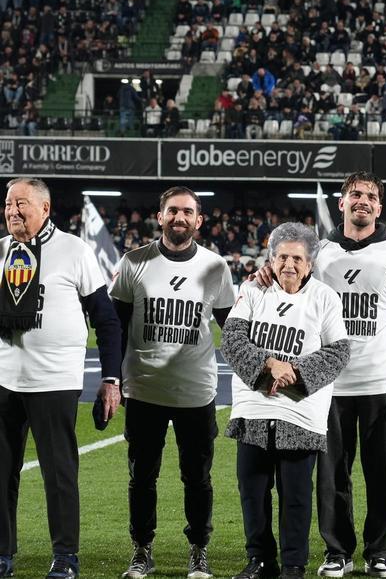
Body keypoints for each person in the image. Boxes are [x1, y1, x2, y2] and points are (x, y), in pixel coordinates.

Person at [110, 187, 236, 579]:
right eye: (172, 211)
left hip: (195, 391)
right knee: (142, 477)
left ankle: (198, 550)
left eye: (187, 212)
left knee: (197, 478)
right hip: (144, 389)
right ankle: (142, 549)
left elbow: (232, 328)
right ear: (160, 216)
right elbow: (115, 328)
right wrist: (112, 381)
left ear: (199, 220)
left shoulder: (216, 267)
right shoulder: (133, 263)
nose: (179, 217)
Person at [0, 178, 122, 579]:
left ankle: (65, 556)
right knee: (1, 474)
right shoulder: (1, 251)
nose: (12, 212)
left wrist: (111, 378)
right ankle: (3, 554)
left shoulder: (74, 250)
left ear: (45, 208)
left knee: (60, 473)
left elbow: (105, 320)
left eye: (21, 204)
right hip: (4, 380)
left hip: (54, 381)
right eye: (8, 205)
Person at [314, 173, 386, 579]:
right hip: (329, 385)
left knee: (383, 475)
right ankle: (337, 551)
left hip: (384, 383)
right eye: (355, 195)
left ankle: (380, 550)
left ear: (379, 207)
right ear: (341, 203)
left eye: (371, 197)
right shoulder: (319, 253)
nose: (363, 201)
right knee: (331, 476)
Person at [223, 223, 350, 579]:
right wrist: (269, 365)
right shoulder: (252, 290)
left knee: (295, 496)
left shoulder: (325, 297)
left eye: (297, 258)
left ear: (309, 264)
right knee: (253, 492)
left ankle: (293, 565)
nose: (289, 264)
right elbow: (232, 340)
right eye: (281, 257)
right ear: (271, 259)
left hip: (300, 414)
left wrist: (292, 372)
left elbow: (339, 352)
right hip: (253, 410)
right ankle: (260, 560)